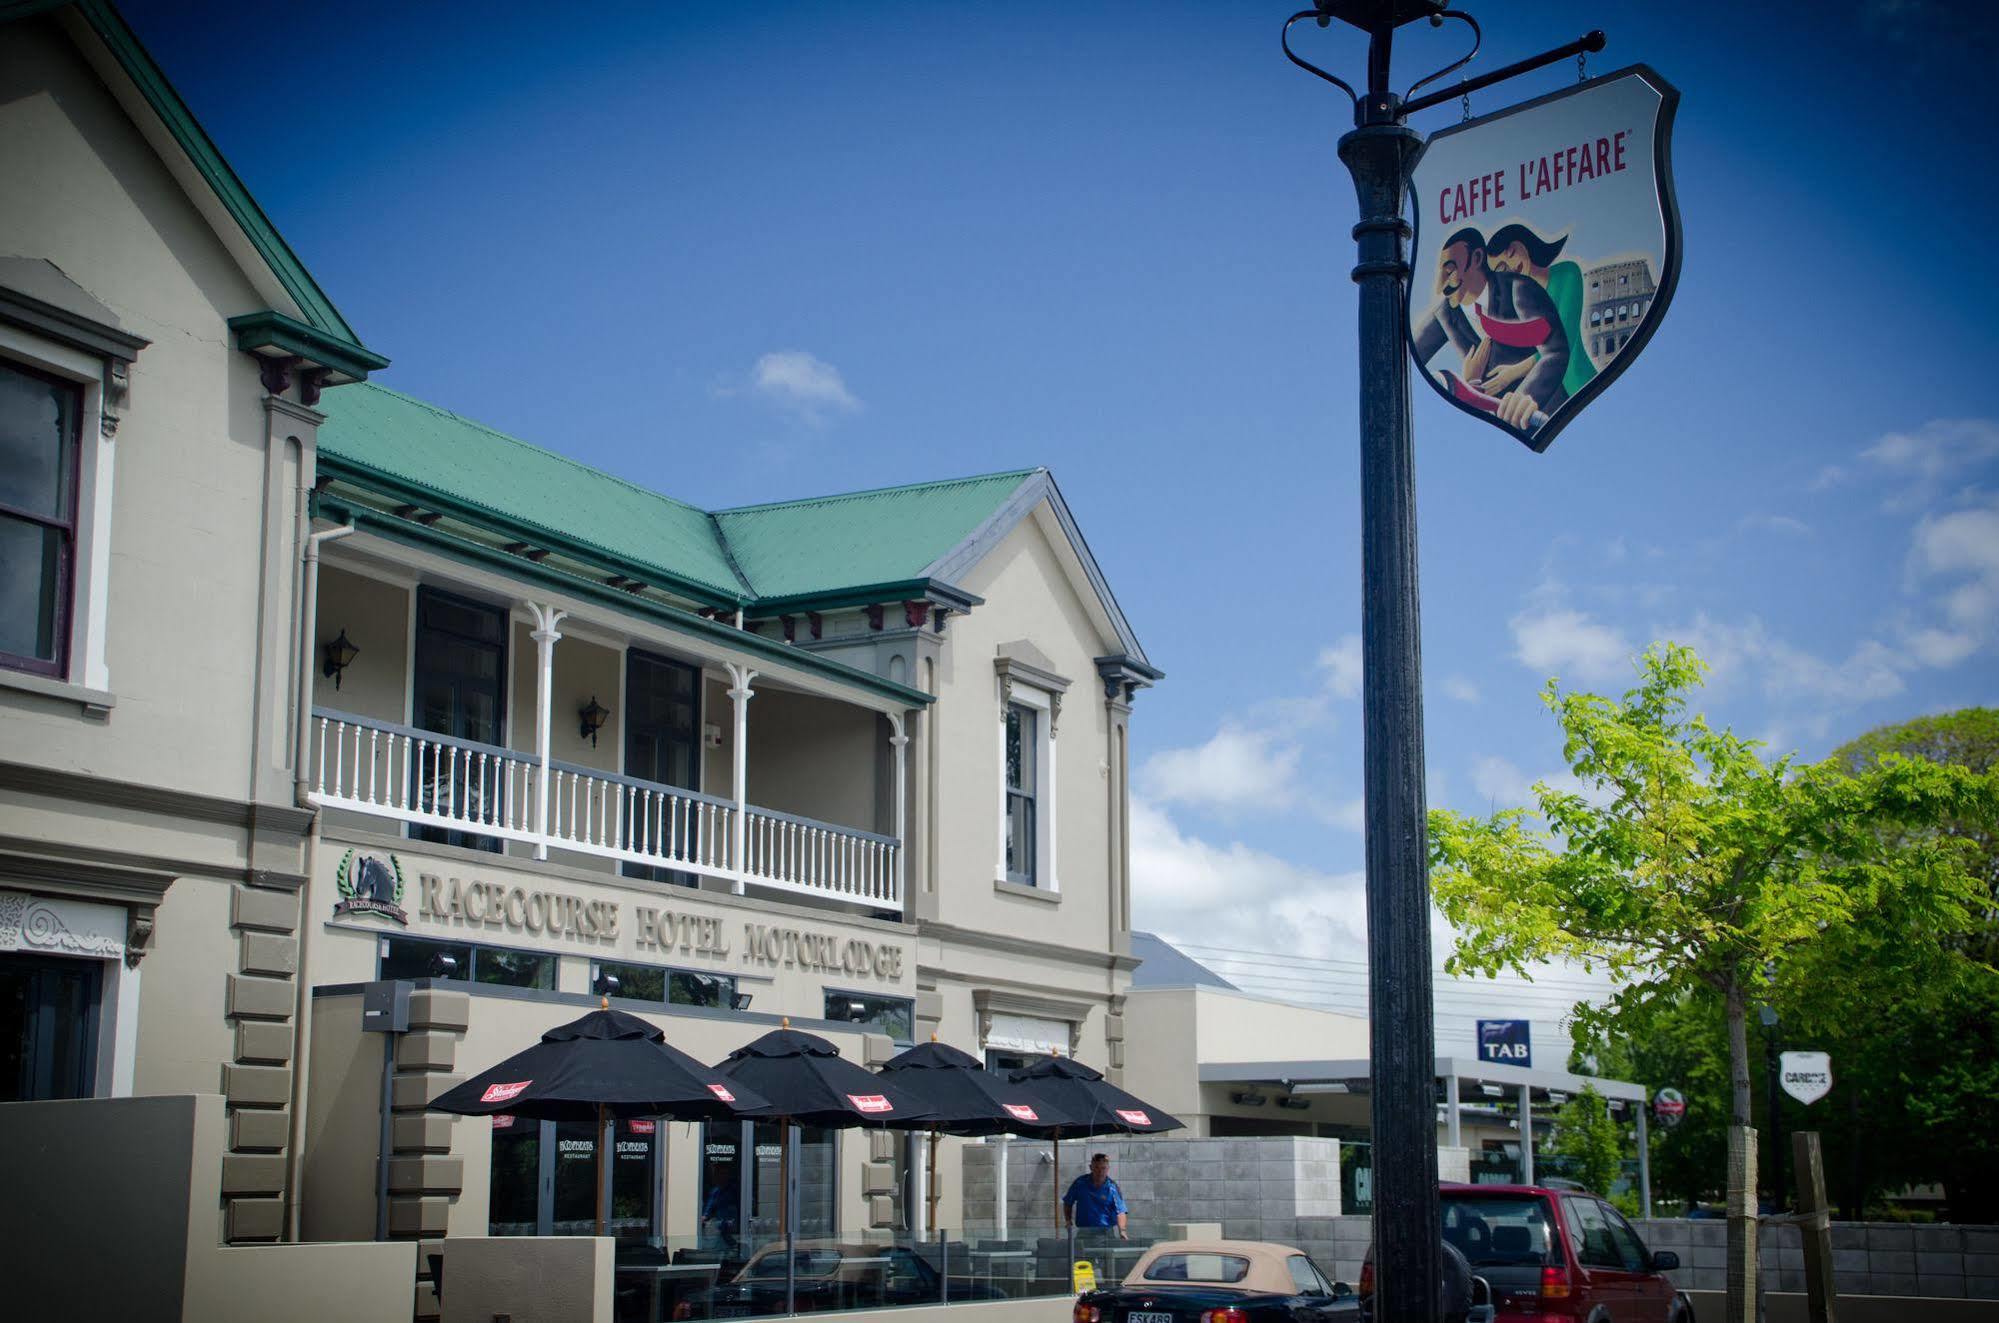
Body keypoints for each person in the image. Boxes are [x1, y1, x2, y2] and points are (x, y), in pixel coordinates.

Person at [1411, 226, 1571, 435]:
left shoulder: (1518, 289)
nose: (1441, 285)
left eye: (1449, 271)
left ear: (1477, 258)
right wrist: (1468, 383)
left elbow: (1556, 351)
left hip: (1549, 420)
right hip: (1494, 439)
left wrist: (1525, 398)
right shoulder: (1445, 315)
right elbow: (1405, 358)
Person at [1485, 222, 1597, 398]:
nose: (1512, 266)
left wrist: (1514, 372)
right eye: (1502, 268)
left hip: (1581, 385)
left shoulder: (1567, 273)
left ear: (1524, 243)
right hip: (1547, 398)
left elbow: (1563, 341)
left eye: (1511, 254)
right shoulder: (1518, 304)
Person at [1062, 1152, 1128, 1240]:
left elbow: (1120, 1211)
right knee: (1081, 1254)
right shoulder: (1080, 1183)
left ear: (1108, 1169)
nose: (1100, 1171)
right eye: (1096, 1167)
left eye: (1103, 1168)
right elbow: (1068, 1202)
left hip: (1106, 1233)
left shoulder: (1112, 1187)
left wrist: (1122, 1231)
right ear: (1091, 1167)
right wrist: (1068, 1220)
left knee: (1105, 1254)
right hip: (1083, 1231)